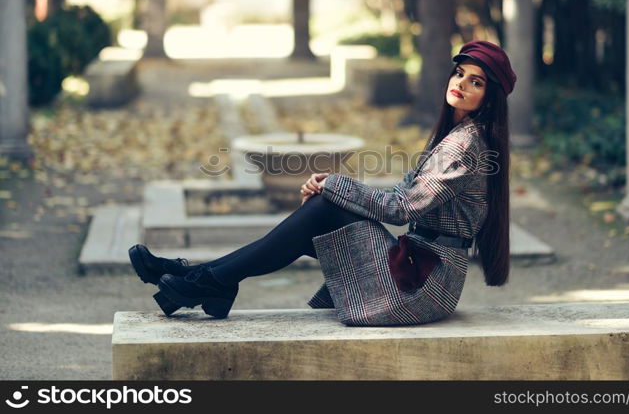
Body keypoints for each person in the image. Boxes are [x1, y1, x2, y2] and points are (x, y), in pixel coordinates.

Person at [128, 40, 517, 325]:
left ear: (490, 97)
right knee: (322, 213)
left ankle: (204, 278)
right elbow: (402, 194)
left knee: (322, 209)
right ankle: (204, 278)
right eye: (459, 73)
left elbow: (404, 208)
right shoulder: (456, 134)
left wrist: (335, 186)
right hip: (419, 266)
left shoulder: (467, 144)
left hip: (421, 285)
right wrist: (338, 190)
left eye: (476, 82)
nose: (461, 84)